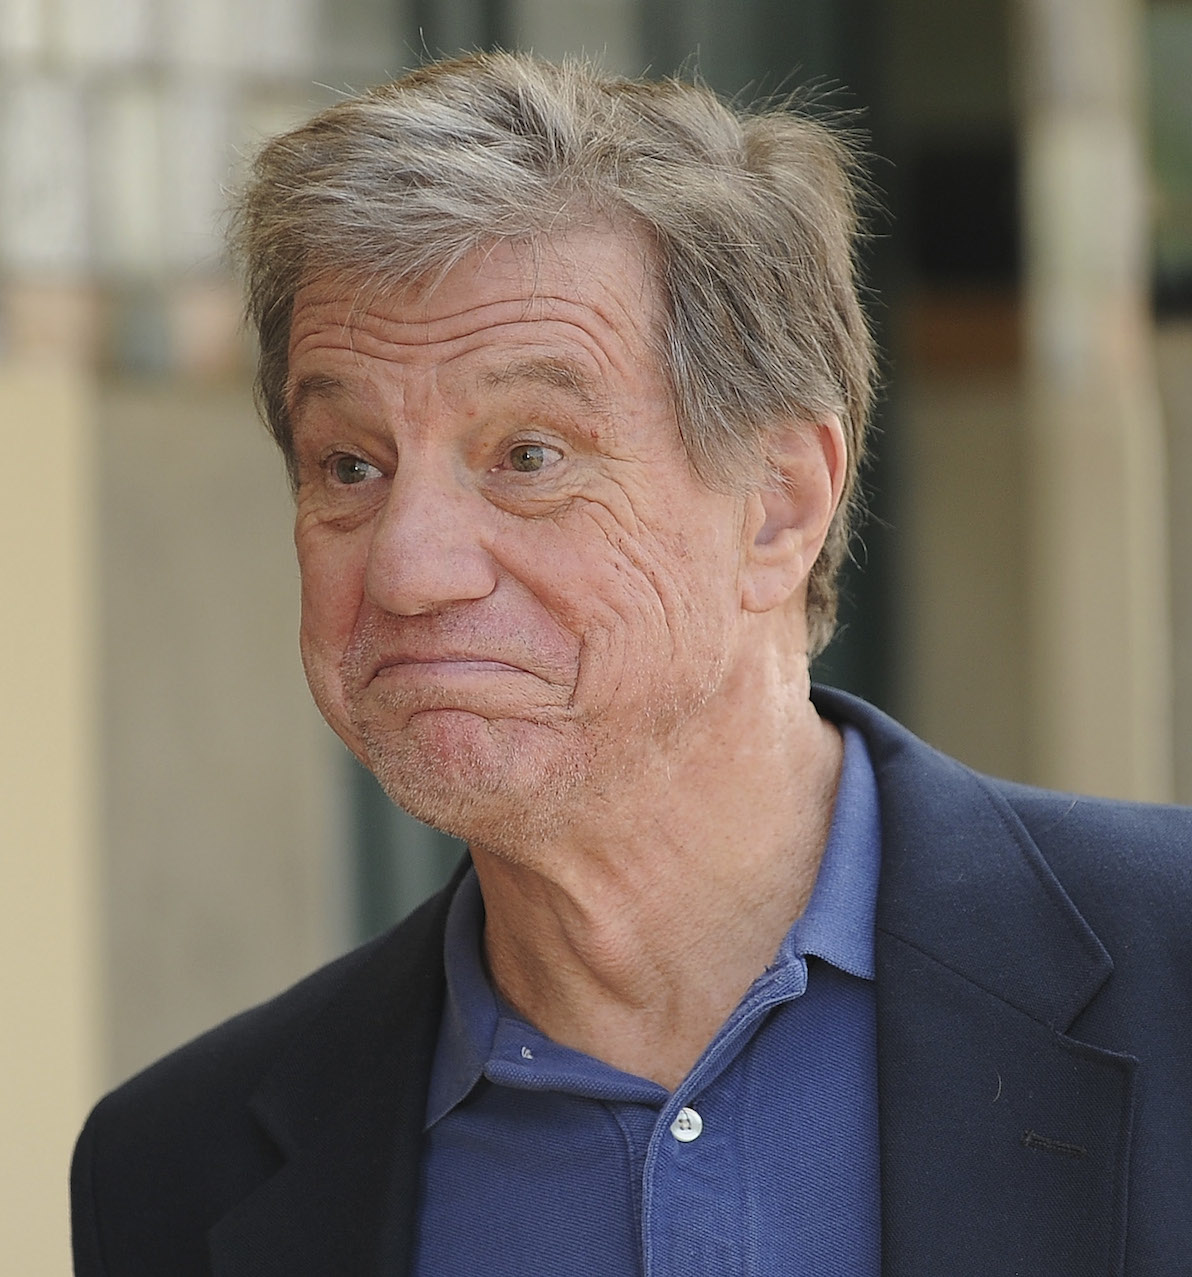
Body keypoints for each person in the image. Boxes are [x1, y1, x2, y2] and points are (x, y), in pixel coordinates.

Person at [70, 53, 1192, 1276]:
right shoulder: (179, 1173)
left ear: (779, 505)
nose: (407, 568)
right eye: (351, 464)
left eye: (530, 453)